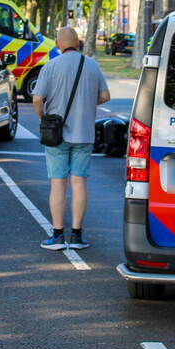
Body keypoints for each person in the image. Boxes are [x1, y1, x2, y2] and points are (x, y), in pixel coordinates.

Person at [32, 26, 110, 250]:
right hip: (84, 134)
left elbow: (37, 98)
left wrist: (43, 117)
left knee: (58, 183)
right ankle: (76, 235)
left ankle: (57, 236)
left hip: (57, 135)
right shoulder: (92, 65)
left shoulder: (51, 65)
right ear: (77, 43)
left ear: (58, 44)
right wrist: (87, 102)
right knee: (79, 183)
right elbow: (105, 96)